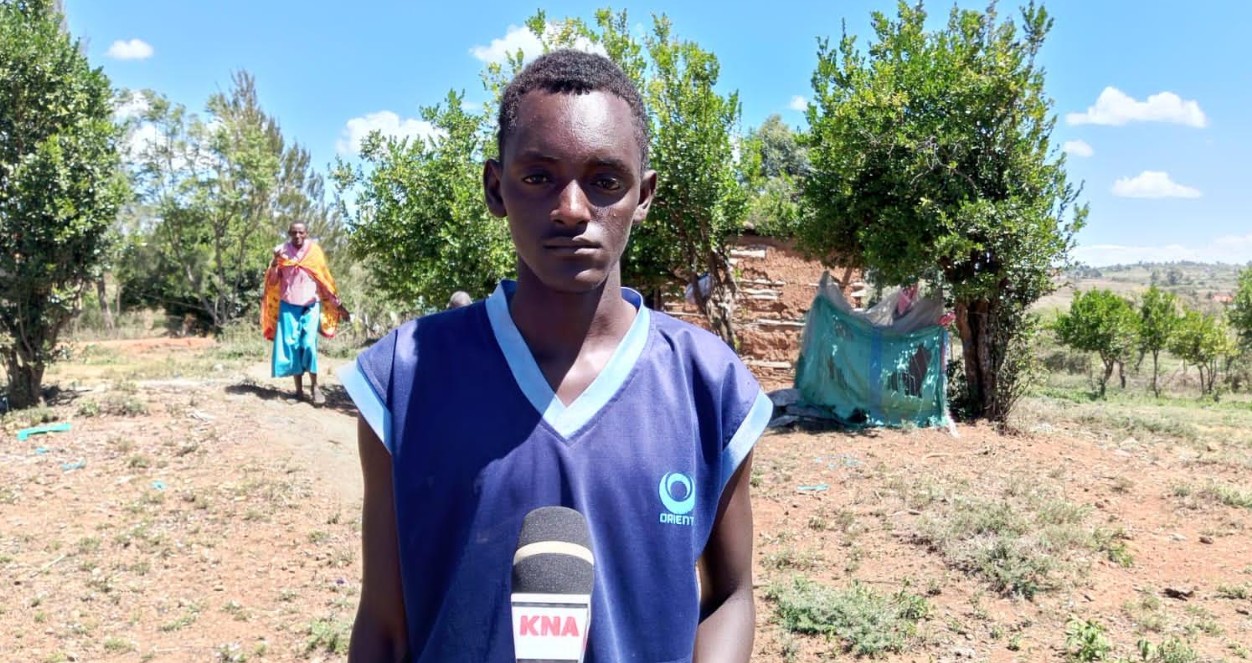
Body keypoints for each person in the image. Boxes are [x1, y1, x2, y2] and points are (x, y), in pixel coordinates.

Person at [338, 50, 771, 662]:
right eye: (539, 177)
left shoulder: (709, 385)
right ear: (496, 188)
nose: (571, 209)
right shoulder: (404, 377)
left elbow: (730, 595)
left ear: (643, 196)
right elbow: (386, 626)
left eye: (605, 181)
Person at [261, 222, 350, 405]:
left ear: (306, 233)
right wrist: (275, 264)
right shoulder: (281, 252)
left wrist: (339, 306)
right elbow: (273, 281)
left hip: (311, 304)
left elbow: (323, 279)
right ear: (289, 233)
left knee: (308, 344)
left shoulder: (314, 252)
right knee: (292, 346)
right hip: (289, 305)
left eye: (301, 232)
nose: (297, 236)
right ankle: (299, 392)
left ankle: (315, 387)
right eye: (294, 232)